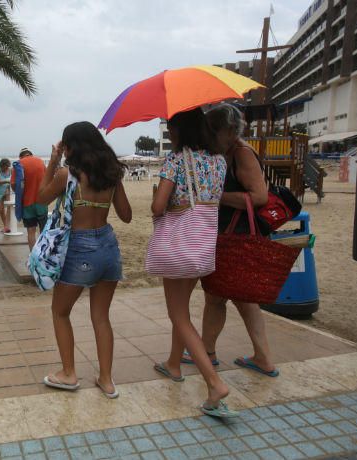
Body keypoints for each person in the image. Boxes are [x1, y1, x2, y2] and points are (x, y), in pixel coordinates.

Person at [149, 107, 236, 417]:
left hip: (177, 245)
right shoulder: (219, 161)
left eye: (171, 129)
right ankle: (174, 364)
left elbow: (160, 206)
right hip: (200, 245)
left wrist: (155, 202)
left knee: (178, 315)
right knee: (182, 309)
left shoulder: (175, 161)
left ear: (180, 132)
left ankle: (214, 384)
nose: (170, 135)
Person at [181, 103, 278, 377]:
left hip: (237, 239)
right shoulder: (225, 153)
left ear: (226, 130)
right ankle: (227, 353)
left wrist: (215, 196)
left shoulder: (242, 154)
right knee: (226, 297)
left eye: (211, 130)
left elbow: (259, 196)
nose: (207, 136)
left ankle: (245, 356)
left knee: (229, 298)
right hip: (227, 237)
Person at [37, 121, 132, 398]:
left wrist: (52, 162)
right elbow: (126, 216)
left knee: (60, 311)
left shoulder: (68, 174)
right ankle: (106, 380)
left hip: (80, 247)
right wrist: (117, 185)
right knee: (101, 316)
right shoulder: (112, 174)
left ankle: (68, 373)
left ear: (70, 147)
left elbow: (41, 199)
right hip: (108, 248)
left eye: (64, 146)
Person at [12, 148, 47, 250]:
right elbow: (47, 179)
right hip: (42, 201)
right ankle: (44, 254)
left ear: (21, 156)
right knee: (43, 230)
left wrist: (19, 192)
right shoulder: (40, 161)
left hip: (27, 203)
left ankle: (33, 256)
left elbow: (13, 184)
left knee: (31, 231)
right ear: (31, 154)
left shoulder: (19, 164)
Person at [0, 158, 12, 232]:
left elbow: (14, 180)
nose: (6, 168)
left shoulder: (11, 170)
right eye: (5, 167)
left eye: (8, 166)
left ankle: (7, 226)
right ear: (1, 166)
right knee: (1, 210)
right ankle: (5, 225)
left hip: (8, 190)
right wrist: (7, 181)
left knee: (9, 208)